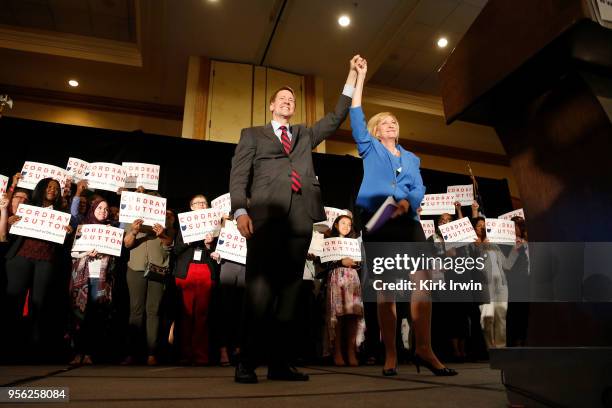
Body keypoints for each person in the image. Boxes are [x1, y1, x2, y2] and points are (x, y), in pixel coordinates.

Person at [229, 55, 360, 383]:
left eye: (293, 99)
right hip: (265, 219)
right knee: (259, 293)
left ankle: (279, 364)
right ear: (272, 106)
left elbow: (335, 117)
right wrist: (240, 209)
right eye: (282, 98)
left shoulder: (303, 134)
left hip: (300, 221)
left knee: (289, 294)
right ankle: (246, 362)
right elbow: (238, 174)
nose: (288, 101)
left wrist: (352, 76)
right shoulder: (252, 135)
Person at [350, 58, 457, 376]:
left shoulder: (412, 158)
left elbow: (419, 187)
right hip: (380, 224)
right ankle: (391, 353)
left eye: (394, 122)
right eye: (385, 122)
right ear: (375, 130)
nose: (391, 125)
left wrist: (409, 201)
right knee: (386, 289)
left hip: (408, 225)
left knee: (421, 284)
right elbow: (355, 112)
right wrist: (360, 76)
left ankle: (424, 349)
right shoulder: (369, 148)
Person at [4, 178, 73, 360]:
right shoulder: (27, 206)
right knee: (14, 302)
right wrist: (10, 221)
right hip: (20, 257)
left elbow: (64, 245)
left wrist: (68, 234)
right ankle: (10, 346)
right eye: (49, 187)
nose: (52, 190)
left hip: (46, 260)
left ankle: (33, 349)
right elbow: (7, 231)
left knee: (39, 304)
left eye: (56, 188)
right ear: (41, 188)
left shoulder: (62, 214)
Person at [123, 199, 175, 366]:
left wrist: (162, 234)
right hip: (136, 269)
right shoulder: (131, 220)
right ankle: (132, 352)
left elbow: (169, 245)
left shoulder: (166, 223)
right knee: (135, 311)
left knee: (153, 311)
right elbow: (127, 244)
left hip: (157, 270)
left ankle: (151, 352)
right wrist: (133, 231)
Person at [68, 199, 116, 365]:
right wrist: (86, 252)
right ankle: (77, 352)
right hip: (83, 278)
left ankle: (89, 353)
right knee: (79, 315)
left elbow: (116, 254)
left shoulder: (111, 229)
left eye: (106, 209)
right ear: (93, 209)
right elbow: (73, 253)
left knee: (97, 317)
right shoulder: (83, 227)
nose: (104, 211)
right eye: (100, 208)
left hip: (102, 278)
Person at [172, 194, 217, 365]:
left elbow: (219, 251)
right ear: (191, 207)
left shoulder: (214, 225)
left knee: (202, 315)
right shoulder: (184, 226)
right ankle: (185, 353)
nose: (201, 205)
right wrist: (190, 239)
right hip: (187, 271)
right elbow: (176, 250)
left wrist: (208, 244)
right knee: (186, 314)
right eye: (197, 203)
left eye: (204, 203)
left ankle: (201, 355)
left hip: (205, 271)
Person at [321, 215, 365, 367]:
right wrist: (340, 261)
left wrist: (357, 262)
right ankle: (337, 351)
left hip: (352, 278)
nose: (346, 226)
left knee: (353, 315)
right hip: (336, 278)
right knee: (338, 316)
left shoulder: (355, 242)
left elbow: (361, 262)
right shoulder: (329, 241)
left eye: (349, 224)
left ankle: (351, 351)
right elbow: (324, 263)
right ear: (336, 225)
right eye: (343, 223)